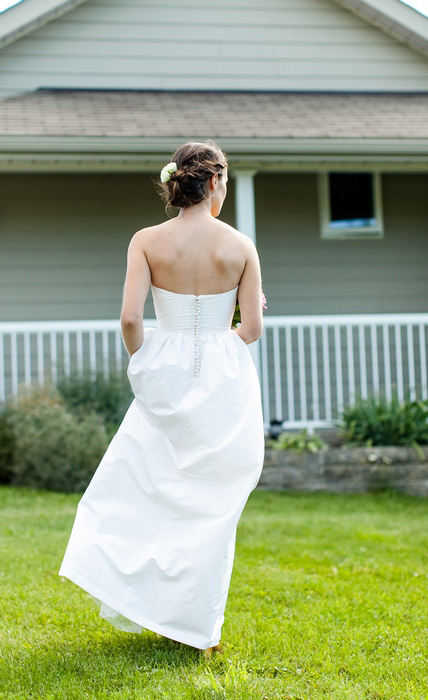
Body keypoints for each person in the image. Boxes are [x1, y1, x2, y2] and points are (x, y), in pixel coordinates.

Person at [58, 140, 265, 657]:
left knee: (149, 487)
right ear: (214, 181)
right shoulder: (240, 245)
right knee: (213, 504)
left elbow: (130, 319)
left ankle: (152, 598)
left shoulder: (146, 240)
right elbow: (254, 328)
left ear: (179, 182)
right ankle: (202, 631)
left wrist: (148, 361)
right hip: (224, 382)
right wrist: (218, 345)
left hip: (163, 373)